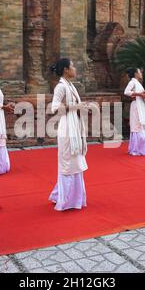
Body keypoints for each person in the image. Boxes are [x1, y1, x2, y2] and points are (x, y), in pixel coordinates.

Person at [48, 58, 89, 211]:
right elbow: (54, 107)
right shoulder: (60, 86)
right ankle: (65, 200)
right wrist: (75, 106)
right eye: (72, 66)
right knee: (67, 163)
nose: (75, 69)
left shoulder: (70, 85)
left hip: (75, 126)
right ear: (66, 69)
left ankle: (66, 197)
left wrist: (81, 107)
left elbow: (73, 106)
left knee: (75, 163)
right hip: (67, 129)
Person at [123, 67, 145, 156]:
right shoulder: (132, 82)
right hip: (136, 106)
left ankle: (142, 147)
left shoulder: (138, 83)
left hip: (141, 105)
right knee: (137, 125)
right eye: (139, 72)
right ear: (135, 73)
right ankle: (138, 148)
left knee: (141, 125)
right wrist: (139, 94)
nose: (141, 73)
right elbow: (126, 92)